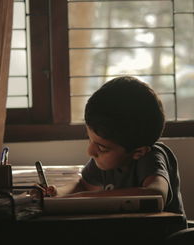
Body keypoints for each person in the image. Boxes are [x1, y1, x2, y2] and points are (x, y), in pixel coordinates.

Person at [44, 75, 185, 216]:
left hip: (164, 235)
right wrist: (57, 193)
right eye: (90, 140)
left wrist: (81, 198)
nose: (90, 151)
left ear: (138, 152)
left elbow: (156, 194)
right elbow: (82, 186)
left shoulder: (151, 157)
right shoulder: (103, 162)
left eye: (102, 148)